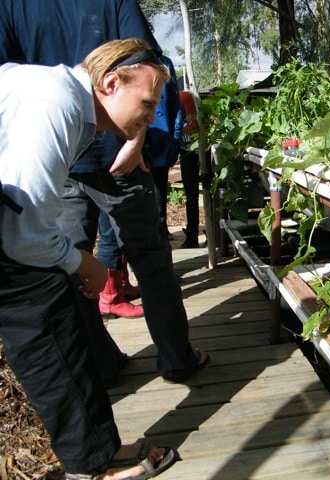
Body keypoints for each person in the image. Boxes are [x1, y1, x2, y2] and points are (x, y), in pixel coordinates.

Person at [0, 0, 210, 382]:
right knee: (149, 256)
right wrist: (137, 136)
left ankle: (101, 363)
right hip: (108, 149)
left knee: (68, 262)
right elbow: (149, 65)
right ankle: (177, 358)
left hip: (56, 153)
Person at [0, 38, 178, 480]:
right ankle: (94, 465)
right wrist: (85, 264)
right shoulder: (53, 104)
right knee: (44, 318)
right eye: (148, 101)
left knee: (55, 306)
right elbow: (22, 237)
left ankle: (98, 451)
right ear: (111, 82)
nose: (151, 117)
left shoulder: (75, 109)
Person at [148, 54, 183, 240]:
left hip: (160, 142)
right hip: (132, 139)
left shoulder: (163, 62)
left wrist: (175, 138)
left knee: (159, 195)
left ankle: (160, 234)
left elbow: (174, 103)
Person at [178, 90, 202, 248]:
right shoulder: (182, 96)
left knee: (192, 194)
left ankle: (193, 235)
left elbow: (193, 125)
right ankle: (193, 233)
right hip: (188, 149)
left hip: (192, 150)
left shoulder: (183, 97)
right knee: (192, 194)